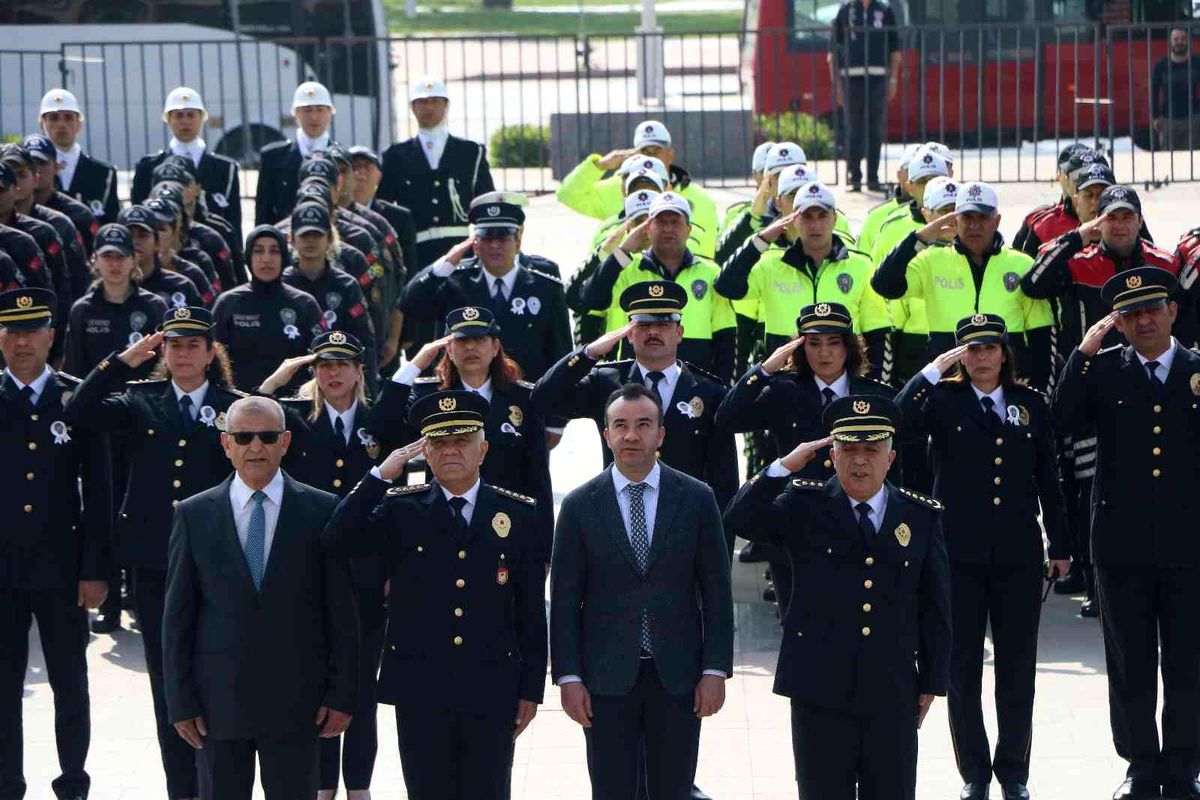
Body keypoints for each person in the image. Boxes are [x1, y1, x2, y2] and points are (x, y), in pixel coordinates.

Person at [321, 389, 547, 800]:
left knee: (489, 790)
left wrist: (531, 687)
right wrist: (379, 476)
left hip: (491, 683)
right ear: (426, 453)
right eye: (439, 443)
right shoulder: (400, 508)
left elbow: (530, 610)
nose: (450, 451)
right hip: (420, 685)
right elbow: (337, 538)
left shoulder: (517, 514)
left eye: (461, 441)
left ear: (483, 449)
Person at [723, 395, 951, 800]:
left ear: (891, 457)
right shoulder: (803, 505)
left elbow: (935, 605)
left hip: (891, 688)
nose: (859, 461)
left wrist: (931, 679)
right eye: (848, 449)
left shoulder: (919, 516)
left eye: (871, 450)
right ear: (832, 454)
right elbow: (739, 519)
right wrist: (781, 468)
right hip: (818, 689)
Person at [62, 307, 246, 800]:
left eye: (193, 344)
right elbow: (79, 410)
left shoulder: (237, 407)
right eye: (174, 344)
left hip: (218, 564)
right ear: (161, 351)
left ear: (211, 353)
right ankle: (181, 791)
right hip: (154, 561)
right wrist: (122, 362)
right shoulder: (139, 400)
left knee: (218, 677)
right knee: (170, 684)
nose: (183, 353)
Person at [896, 314, 1067, 800]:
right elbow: (898, 419)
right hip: (957, 553)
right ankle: (974, 770)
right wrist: (931, 372)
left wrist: (1062, 544)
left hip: (1017, 552)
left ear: (1004, 352)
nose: (981, 357)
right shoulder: (942, 400)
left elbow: (1049, 480)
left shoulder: (1030, 404)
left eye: (990, 348)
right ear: (959, 355)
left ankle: (1014, 771)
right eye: (971, 349)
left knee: (1018, 667)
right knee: (961, 667)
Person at [162, 395, 358, 800]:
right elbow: (178, 617)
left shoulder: (321, 509)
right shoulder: (195, 514)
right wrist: (180, 701)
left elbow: (341, 612)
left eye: (267, 437)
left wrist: (341, 694)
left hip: (297, 704)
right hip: (218, 704)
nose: (255, 447)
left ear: (285, 442)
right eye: (244, 437)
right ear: (226, 444)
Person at [1053, 267, 1200, 800]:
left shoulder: (1195, 370)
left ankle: (1184, 765)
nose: (1143, 320)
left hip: (1189, 544)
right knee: (1129, 659)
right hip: (1121, 543)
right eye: (1130, 314)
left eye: (1152, 309)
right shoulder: (1104, 371)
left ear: (1172, 312)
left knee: (1188, 659)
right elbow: (1062, 421)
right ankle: (1141, 763)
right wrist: (1081, 354)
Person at [551, 382, 733, 799]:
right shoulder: (580, 506)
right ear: (606, 435)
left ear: (661, 434)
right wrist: (569, 677)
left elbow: (717, 592)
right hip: (605, 679)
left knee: (673, 788)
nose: (632, 435)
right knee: (613, 789)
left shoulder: (696, 498)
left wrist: (715, 669)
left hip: (679, 677)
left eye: (643, 425)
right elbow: (564, 600)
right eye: (621, 425)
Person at [255, 331, 390, 800]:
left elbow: (401, 497)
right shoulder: (295, 416)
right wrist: (280, 376)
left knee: (363, 690)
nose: (332, 374)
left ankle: (359, 787)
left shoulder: (380, 420)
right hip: (310, 568)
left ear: (359, 370)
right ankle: (322, 787)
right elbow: (247, 417)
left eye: (342, 364)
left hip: (369, 571)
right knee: (318, 683)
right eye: (323, 366)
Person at [0, 287, 111, 800]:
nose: (21, 343)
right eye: (11, 333)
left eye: (31, 333)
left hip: (62, 567)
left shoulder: (76, 399)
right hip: (2, 569)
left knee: (71, 684)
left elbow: (100, 492)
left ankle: (72, 783)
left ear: (51, 337)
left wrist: (96, 568)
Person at [715, 301, 895, 613]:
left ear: (848, 346)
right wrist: (765, 369)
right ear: (800, 347)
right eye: (813, 343)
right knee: (799, 633)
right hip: (797, 529)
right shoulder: (783, 390)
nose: (824, 353)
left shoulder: (874, 396)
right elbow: (728, 419)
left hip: (859, 528)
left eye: (833, 342)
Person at [535, 280, 738, 518]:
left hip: (686, 523)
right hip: (620, 519)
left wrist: (718, 548)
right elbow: (543, 398)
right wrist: (588, 353)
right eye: (643, 324)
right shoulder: (607, 382)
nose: (653, 332)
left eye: (663, 324)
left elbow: (724, 481)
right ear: (629, 334)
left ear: (679, 333)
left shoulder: (709, 392)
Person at [374, 306, 554, 563]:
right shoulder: (429, 396)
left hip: (507, 528)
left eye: (480, 340)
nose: (471, 348)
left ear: (495, 348)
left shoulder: (524, 398)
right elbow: (381, 426)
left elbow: (538, 476)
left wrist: (543, 551)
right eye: (462, 341)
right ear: (448, 349)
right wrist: (414, 366)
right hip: (442, 524)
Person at [872, 180, 1054, 389]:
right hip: (948, 387)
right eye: (967, 217)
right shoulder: (931, 260)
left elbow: (1042, 337)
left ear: (997, 220)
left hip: (1008, 386)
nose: (974, 226)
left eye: (983, 217)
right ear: (955, 220)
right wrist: (920, 238)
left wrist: (1038, 393)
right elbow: (883, 284)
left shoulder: (1021, 264)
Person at [399, 193, 573, 391]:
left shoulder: (545, 287)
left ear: (518, 242)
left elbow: (561, 354)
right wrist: (447, 263)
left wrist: (555, 420)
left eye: (503, 237)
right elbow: (410, 304)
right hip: (464, 398)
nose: (495, 245)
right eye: (487, 238)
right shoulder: (455, 281)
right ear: (475, 244)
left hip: (528, 403)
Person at [715, 178, 890, 374]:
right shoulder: (771, 264)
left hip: (843, 385)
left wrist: (869, 390)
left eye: (822, 215)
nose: (815, 225)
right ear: (794, 220)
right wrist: (760, 241)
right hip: (785, 383)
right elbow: (725, 286)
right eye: (807, 216)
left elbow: (877, 334)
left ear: (834, 217)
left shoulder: (861, 266)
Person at [579, 192, 736, 381]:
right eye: (661, 222)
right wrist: (622, 251)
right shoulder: (625, 267)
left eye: (675, 222)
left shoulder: (710, 272)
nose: (668, 229)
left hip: (694, 384)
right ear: (647, 228)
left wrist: (723, 389)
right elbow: (590, 300)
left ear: (689, 229)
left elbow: (725, 337)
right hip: (632, 381)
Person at [378, 76, 495, 270]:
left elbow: (485, 203)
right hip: (415, 252)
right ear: (413, 108)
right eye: (422, 102)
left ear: (446, 105)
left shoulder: (471, 152)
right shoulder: (396, 156)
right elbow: (385, 206)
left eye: (435, 101)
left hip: (460, 250)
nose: (428, 108)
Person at [556, 120, 719, 259]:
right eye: (644, 151)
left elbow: (711, 251)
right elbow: (568, 195)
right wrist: (599, 166)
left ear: (670, 153)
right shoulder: (614, 195)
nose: (650, 156)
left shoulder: (700, 198)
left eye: (656, 150)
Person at [282, 202, 379, 392]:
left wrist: (369, 392)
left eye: (317, 234)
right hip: (291, 384)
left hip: (338, 383)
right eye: (304, 235)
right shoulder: (282, 284)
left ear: (329, 239)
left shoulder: (347, 286)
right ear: (292, 239)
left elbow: (365, 341)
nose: (311, 241)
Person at [212, 225, 322, 392]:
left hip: (293, 405)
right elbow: (213, 360)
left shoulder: (304, 304)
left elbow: (320, 359)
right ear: (248, 256)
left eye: (274, 251)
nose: (266, 258)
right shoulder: (228, 303)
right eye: (258, 251)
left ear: (284, 256)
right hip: (239, 405)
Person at [131, 87, 242, 246]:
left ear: (202, 118)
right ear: (168, 119)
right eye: (178, 115)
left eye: (191, 115)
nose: (185, 121)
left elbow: (233, 223)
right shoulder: (147, 168)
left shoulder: (225, 169)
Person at [64, 224, 168, 379]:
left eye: (121, 256)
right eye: (107, 256)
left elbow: (165, 362)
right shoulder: (82, 310)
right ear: (95, 260)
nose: (114, 264)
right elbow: (72, 368)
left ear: (133, 259)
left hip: (143, 399)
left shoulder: (155, 306)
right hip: (96, 399)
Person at [6, 141, 90, 302]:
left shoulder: (56, 225)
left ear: (35, 179)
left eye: (21, 175)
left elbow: (75, 282)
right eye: (7, 176)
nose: (14, 183)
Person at [830, 0, 900, 191]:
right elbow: (833, 51)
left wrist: (893, 80)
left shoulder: (885, 9)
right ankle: (855, 178)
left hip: (878, 76)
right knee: (853, 129)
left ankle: (872, 178)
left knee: (875, 129)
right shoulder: (845, 10)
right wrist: (837, 85)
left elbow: (894, 49)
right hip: (851, 77)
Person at [255, 82, 335, 226]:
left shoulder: (341, 158)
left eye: (320, 109)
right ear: (296, 114)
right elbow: (263, 212)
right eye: (307, 110)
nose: (314, 117)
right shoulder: (273, 158)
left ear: (330, 114)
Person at [37, 88, 120, 224]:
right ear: (42, 123)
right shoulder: (30, 170)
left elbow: (110, 223)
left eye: (68, 117)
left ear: (79, 124)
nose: (61, 124)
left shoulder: (104, 173)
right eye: (53, 118)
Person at [348, 145, 419, 291]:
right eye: (355, 166)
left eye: (367, 167)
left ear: (379, 176)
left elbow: (410, 268)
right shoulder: (335, 214)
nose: (361, 173)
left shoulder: (399, 218)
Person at [22, 133, 100, 258]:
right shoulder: (7, 209)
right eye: (30, 164)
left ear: (56, 167)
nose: (36, 170)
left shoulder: (79, 214)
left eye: (42, 163)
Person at [120, 204, 209, 312]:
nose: (135, 242)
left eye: (143, 235)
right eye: (129, 235)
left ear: (157, 242)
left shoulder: (182, 287)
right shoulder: (106, 290)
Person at [1151, 28, 1200, 151]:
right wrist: (1155, 116)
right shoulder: (1162, 65)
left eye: (1183, 39)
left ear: (1188, 41)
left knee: (1193, 159)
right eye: (1176, 39)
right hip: (1168, 120)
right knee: (1169, 159)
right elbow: (1154, 91)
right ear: (1170, 42)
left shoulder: (1196, 63)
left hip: (1193, 120)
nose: (1179, 42)